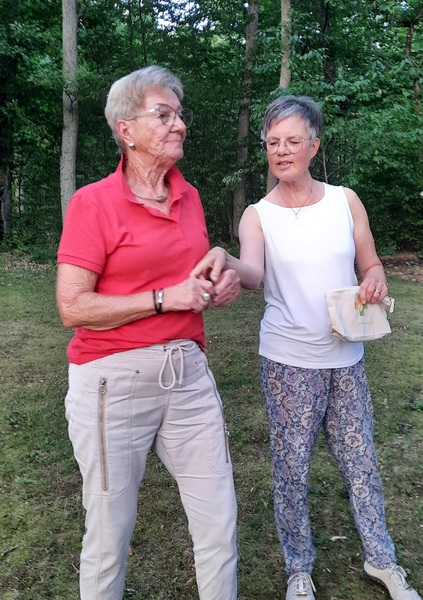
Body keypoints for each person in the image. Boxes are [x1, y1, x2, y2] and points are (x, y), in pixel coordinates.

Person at [193, 95, 422, 600]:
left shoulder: (345, 200)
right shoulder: (258, 215)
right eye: (273, 142)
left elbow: (370, 263)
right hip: (288, 362)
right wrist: (226, 258)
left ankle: (382, 560)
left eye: (293, 141)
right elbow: (253, 274)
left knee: (361, 460)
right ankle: (299, 568)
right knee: (292, 469)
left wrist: (376, 279)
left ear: (314, 146)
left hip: (347, 357)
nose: (281, 150)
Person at [56, 65, 240, 600]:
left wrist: (218, 282)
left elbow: (190, 279)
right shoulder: (93, 202)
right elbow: (72, 307)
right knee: (109, 533)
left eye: (179, 114)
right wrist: (163, 299)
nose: (178, 124)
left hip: (189, 375)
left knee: (219, 522)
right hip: (111, 382)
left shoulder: (190, 196)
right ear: (126, 129)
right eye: (163, 115)